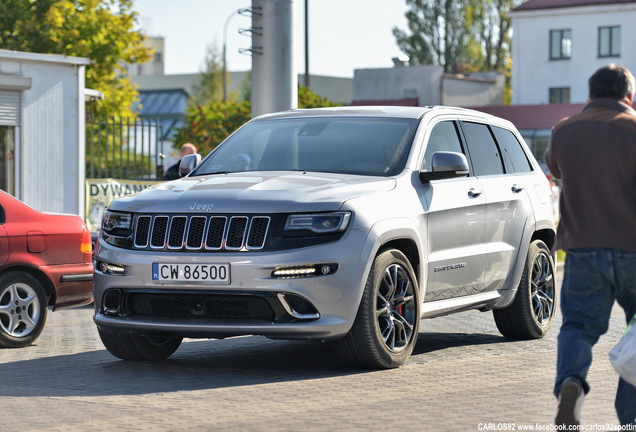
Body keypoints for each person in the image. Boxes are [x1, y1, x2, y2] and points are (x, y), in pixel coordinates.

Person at [545, 64, 636, 428]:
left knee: (578, 327)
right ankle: (631, 418)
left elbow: (557, 170)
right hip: (633, 248)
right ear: (628, 96)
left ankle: (571, 382)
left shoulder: (563, 131)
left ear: (590, 93)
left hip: (581, 249)